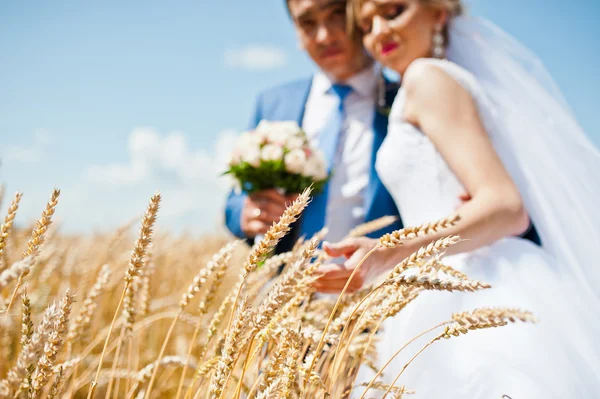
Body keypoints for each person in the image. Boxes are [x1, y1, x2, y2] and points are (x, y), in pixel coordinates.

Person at [314, 0, 600, 397]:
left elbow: (505, 206)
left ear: (440, 12)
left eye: (394, 10)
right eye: (366, 24)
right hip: (446, 283)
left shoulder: (426, 77)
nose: (378, 31)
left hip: (469, 290)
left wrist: (390, 252)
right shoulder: (443, 82)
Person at [224, 0, 405, 253]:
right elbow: (236, 199)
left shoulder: (406, 99)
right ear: (296, 32)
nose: (324, 36)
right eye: (307, 22)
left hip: (380, 286)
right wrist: (247, 214)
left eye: (336, 15)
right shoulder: (273, 104)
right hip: (285, 285)